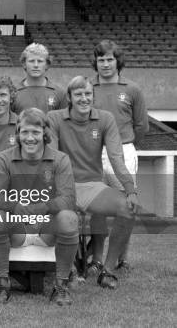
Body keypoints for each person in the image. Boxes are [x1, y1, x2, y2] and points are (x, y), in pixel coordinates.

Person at [47, 76, 139, 290]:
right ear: (69, 97)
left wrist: (130, 189)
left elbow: (117, 159)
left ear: (93, 96)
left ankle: (107, 271)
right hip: (63, 185)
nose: (84, 98)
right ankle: (67, 270)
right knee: (63, 220)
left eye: (88, 94)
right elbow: (51, 158)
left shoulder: (105, 119)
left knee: (128, 208)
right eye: (78, 94)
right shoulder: (54, 118)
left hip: (92, 186)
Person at [0, 108, 79, 306]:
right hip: (17, 229)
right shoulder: (3, 158)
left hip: (47, 228)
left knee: (69, 218)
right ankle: (3, 284)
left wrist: (40, 208)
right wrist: (16, 207)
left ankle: (60, 286)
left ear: (44, 134)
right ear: (18, 134)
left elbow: (69, 199)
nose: (30, 138)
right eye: (25, 132)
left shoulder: (60, 159)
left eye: (36, 132)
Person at [89, 39, 149, 272]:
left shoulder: (132, 89)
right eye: (101, 59)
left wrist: (126, 144)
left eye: (109, 59)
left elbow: (141, 125)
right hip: (93, 151)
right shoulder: (87, 87)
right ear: (95, 62)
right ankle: (96, 259)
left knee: (127, 205)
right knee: (96, 208)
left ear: (118, 61)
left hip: (122, 151)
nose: (105, 64)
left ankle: (121, 258)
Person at [12, 43, 67, 114]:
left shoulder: (60, 93)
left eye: (40, 61)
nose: (36, 65)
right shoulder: (13, 93)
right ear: (24, 64)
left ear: (47, 65)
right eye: (31, 61)